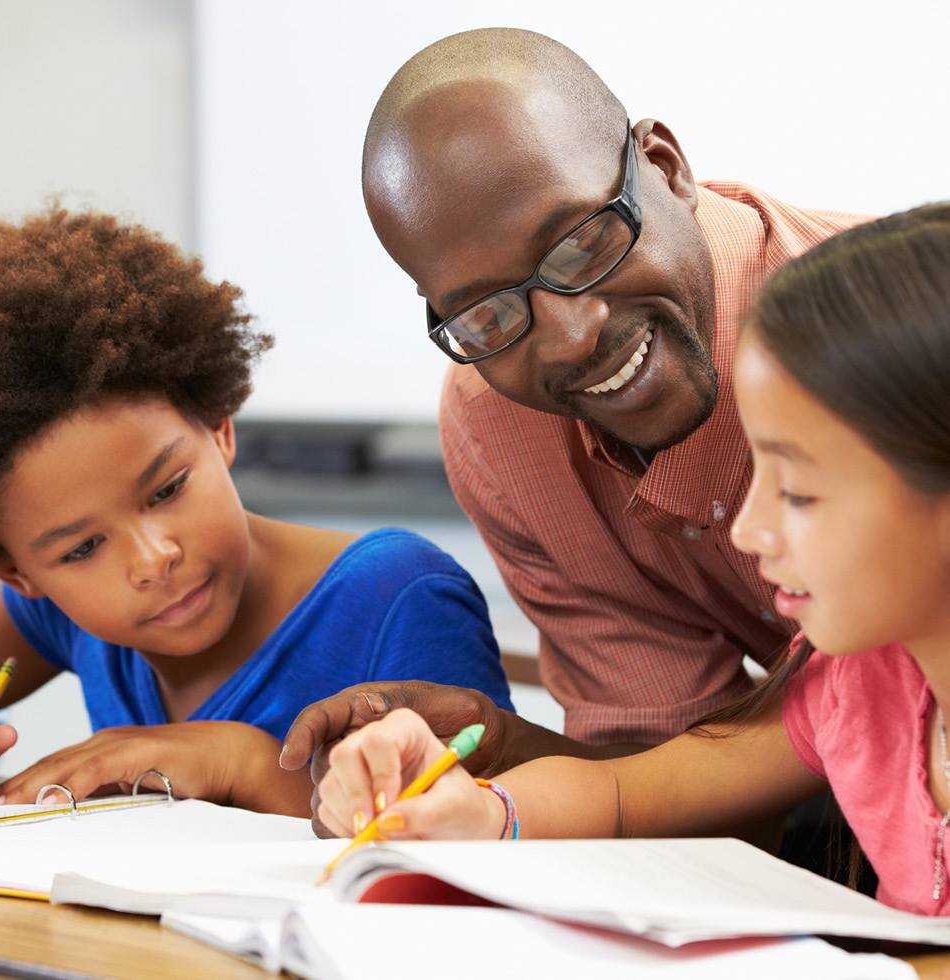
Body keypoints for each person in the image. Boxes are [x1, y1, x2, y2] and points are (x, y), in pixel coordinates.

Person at [315, 202, 950, 915]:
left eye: (798, 491)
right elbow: (624, 794)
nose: (747, 530)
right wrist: (483, 813)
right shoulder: (866, 683)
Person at [281, 27, 868, 777]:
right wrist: (503, 749)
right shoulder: (498, 431)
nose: (570, 338)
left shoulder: (903, 335)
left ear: (667, 169)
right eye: (488, 313)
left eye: (583, 244)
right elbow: (673, 780)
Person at [0, 206, 513, 815]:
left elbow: (477, 829)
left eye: (167, 489)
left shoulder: (400, 600)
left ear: (218, 426)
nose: (155, 559)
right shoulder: (57, 610)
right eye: (82, 549)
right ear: (21, 573)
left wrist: (241, 762)